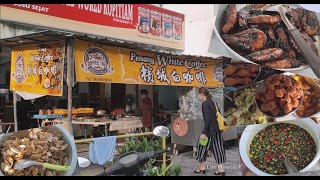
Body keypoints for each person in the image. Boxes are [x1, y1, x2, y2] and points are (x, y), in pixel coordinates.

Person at [194, 87, 226, 176]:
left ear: (202, 95)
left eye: (198, 94)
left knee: (201, 147)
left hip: (209, 131)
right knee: (218, 148)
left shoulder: (205, 103)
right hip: (217, 130)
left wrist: (204, 133)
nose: (198, 96)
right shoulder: (213, 102)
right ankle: (221, 169)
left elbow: (207, 120)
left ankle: (201, 167)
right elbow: (218, 115)